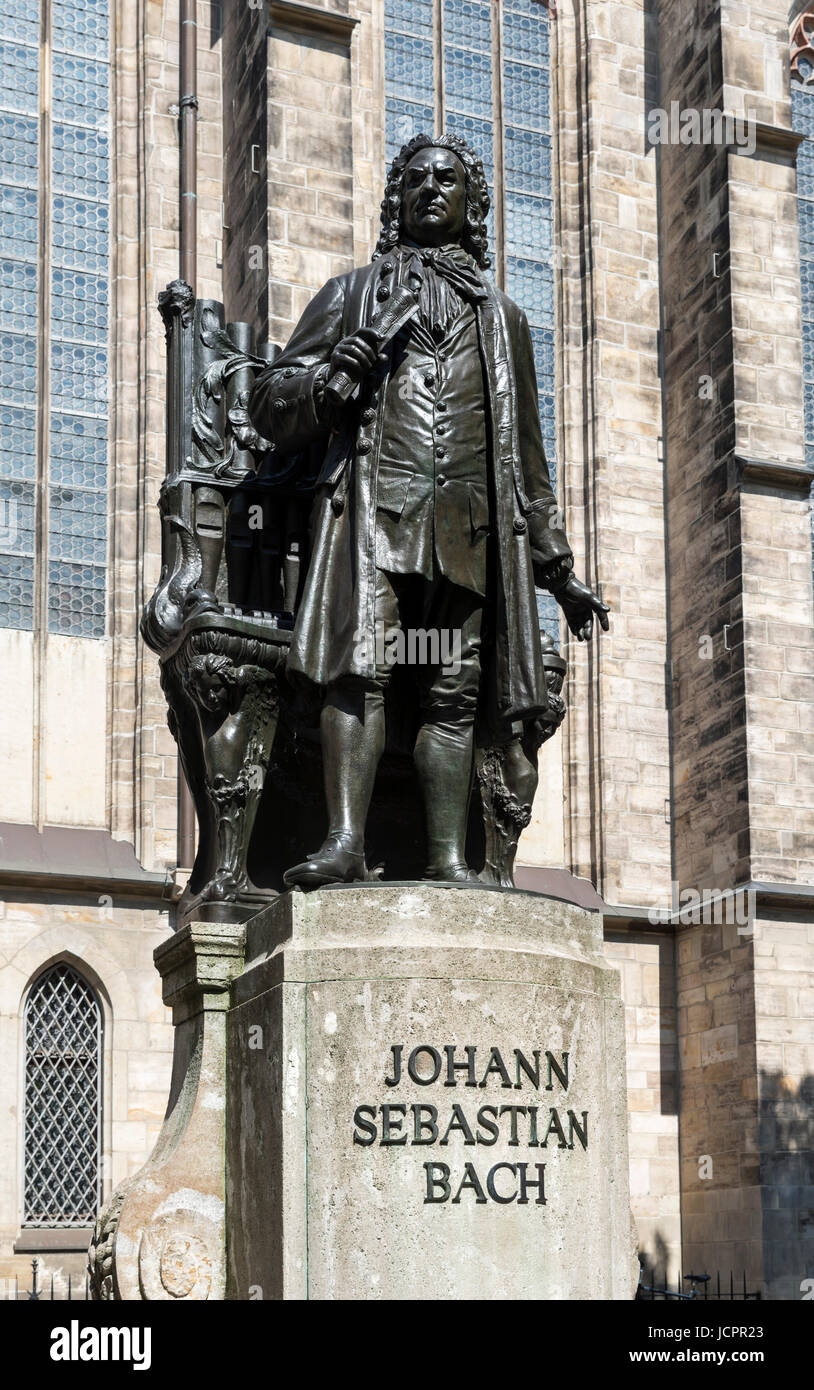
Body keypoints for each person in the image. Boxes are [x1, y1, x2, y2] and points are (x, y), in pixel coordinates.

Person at [250, 133, 608, 885]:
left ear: (471, 202)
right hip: (373, 518)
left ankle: (449, 859)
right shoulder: (351, 296)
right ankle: (344, 841)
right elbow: (268, 403)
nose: (431, 189)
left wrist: (558, 567)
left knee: (455, 689)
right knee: (363, 669)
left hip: (468, 529)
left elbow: (528, 459)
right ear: (397, 200)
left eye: (447, 180)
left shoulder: (504, 320)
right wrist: (328, 382)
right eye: (415, 179)